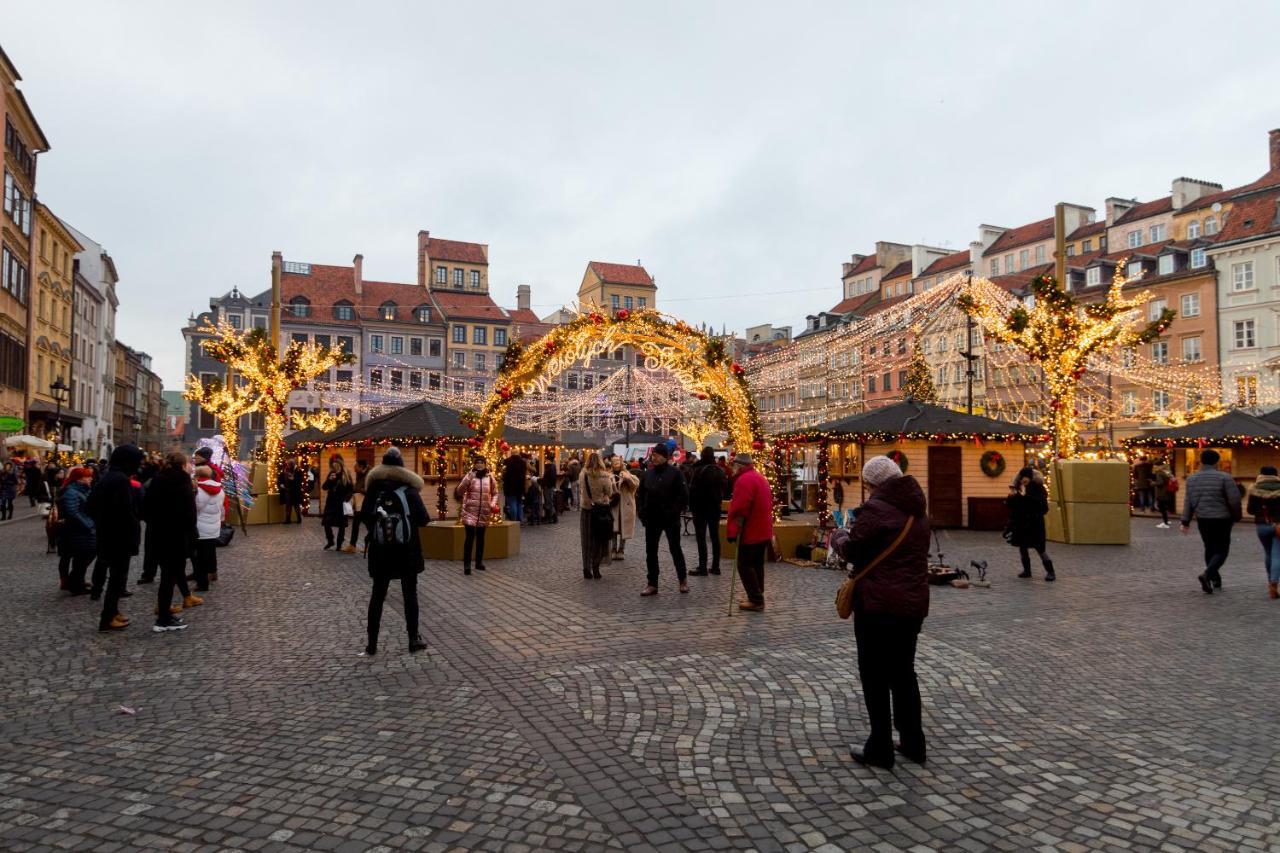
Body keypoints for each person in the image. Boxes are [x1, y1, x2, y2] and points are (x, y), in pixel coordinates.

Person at [838, 455, 931, 770]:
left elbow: (853, 549)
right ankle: (913, 742)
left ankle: (880, 747)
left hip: (878, 606)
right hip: (912, 604)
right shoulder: (918, 511)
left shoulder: (876, 510)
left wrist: (838, 538)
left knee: (875, 675)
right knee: (904, 674)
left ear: (874, 483)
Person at [360, 447, 429, 655]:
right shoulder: (409, 490)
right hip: (407, 551)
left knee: (378, 595)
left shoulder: (373, 489)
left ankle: (372, 643)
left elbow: (364, 515)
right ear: (401, 467)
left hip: (380, 551)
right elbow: (424, 519)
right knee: (410, 595)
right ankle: (412, 639)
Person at [86, 445, 145, 632]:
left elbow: (91, 505)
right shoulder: (119, 480)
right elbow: (125, 510)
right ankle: (108, 617)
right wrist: (132, 522)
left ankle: (113, 611)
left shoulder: (110, 477)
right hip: (118, 536)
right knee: (116, 579)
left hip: (109, 534)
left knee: (116, 577)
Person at [144, 452, 200, 632]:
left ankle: (164, 612)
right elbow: (190, 514)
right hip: (176, 536)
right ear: (183, 465)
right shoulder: (183, 483)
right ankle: (164, 619)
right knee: (170, 576)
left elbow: (145, 507)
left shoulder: (157, 480)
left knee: (167, 575)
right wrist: (191, 536)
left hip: (158, 534)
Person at [1180, 449, 1242, 594]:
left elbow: (1188, 501)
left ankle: (1214, 579)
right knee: (1222, 550)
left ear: (1201, 461)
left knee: (1209, 547)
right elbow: (1234, 499)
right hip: (1222, 519)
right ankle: (1207, 574)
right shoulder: (1225, 477)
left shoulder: (1192, 479)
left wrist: (1185, 520)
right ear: (1217, 461)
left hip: (1203, 518)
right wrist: (1236, 516)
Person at [636, 443, 689, 596]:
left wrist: (675, 511)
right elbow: (640, 494)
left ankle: (682, 580)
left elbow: (683, 495)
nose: (654, 457)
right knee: (651, 551)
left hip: (670, 519)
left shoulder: (675, 473)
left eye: (657, 454)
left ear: (665, 457)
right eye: (653, 454)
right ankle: (652, 583)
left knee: (675, 549)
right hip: (652, 518)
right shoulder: (647, 474)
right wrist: (641, 512)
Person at [725, 453, 773, 611]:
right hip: (762, 530)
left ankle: (756, 599)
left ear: (739, 466)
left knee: (745, 564)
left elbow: (739, 508)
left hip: (751, 530)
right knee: (757, 563)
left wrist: (733, 531)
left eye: (733, 465)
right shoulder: (758, 477)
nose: (731, 468)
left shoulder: (744, 480)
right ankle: (758, 593)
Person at [1006, 466, 1055, 581]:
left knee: (1040, 549)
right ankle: (1027, 571)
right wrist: (1013, 498)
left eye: (1026, 477)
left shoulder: (1038, 488)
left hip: (1035, 523)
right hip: (1023, 523)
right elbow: (1016, 506)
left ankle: (1051, 572)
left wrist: (1022, 499)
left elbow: (1041, 506)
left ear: (1031, 477)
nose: (1024, 479)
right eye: (1022, 477)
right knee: (1023, 547)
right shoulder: (1022, 488)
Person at [688, 447, 728, 576]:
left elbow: (692, 489)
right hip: (715, 507)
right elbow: (725, 488)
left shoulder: (697, 469)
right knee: (715, 537)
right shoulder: (719, 470)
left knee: (701, 537)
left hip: (700, 508)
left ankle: (703, 566)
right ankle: (716, 566)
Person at [55, 467, 96, 594]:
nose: (91, 478)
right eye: (88, 476)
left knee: (82, 557)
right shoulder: (71, 491)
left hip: (81, 530)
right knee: (82, 557)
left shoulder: (83, 489)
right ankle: (74, 584)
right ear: (79, 479)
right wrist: (88, 524)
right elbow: (72, 511)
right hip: (77, 530)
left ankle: (76, 582)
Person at [455, 455, 497, 576]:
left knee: (480, 538)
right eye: (477, 463)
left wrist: (492, 504)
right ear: (474, 464)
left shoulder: (489, 477)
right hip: (470, 512)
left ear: (485, 464)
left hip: (484, 512)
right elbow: (459, 491)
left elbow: (495, 493)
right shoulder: (470, 475)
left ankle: (479, 562)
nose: (479, 465)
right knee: (469, 538)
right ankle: (467, 565)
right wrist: (468, 478)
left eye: (481, 463)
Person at [578, 452, 617, 580]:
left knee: (586, 540)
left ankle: (586, 568)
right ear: (600, 461)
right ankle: (596, 567)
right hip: (601, 512)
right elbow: (610, 492)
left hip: (586, 511)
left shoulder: (583, 475)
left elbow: (582, 490)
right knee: (600, 540)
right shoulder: (605, 476)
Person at [1246, 465, 1280, 600]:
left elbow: (1250, 510)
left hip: (1261, 526)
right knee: (1277, 555)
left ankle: (1269, 580)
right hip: (1278, 526)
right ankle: (1274, 583)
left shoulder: (1254, 489)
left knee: (1268, 553)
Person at [193, 465, 224, 592]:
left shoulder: (199, 489)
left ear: (198, 476)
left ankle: (202, 583)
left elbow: (196, 507)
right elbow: (221, 508)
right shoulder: (220, 489)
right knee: (210, 552)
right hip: (213, 526)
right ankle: (212, 573)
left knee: (199, 557)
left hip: (200, 526)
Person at [321, 455, 355, 551]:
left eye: (336, 467)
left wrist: (346, 499)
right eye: (333, 467)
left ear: (340, 466)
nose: (334, 469)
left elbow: (351, 489)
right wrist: (329, 480)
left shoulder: (346, 475)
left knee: (341, 525)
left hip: (341, 503)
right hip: (331, 502)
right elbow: (324, 487)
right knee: (327, 522)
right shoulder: (331, 474)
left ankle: (339, 544)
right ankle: (330, 540)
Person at [610, 457, 639, 560]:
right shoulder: (609, 475)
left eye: (618, 462)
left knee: (624, 528)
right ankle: (613, 549)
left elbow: (634, 486)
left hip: (626, 505)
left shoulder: (628, 474)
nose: (616, 464)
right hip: (614, 505)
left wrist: (628, 478)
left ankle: (621, 549)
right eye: (614, 462)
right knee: (613, 528)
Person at [348, 458, 370, 551]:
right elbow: (357, 485)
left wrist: (359, 490)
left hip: (366, 503)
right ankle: (352, 545)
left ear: (361, 467)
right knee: (356, 524)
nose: (354, 469)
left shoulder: (370, 474)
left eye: (355, 467)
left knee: (369, 525)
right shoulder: (360, 474)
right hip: (359, 504)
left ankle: (370, 545)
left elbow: (370, 490)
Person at [501, 449, 527, 523]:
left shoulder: (507, 461)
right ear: (518, 453)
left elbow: (504, 474)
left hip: (510, 486)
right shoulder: (523, 462)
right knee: (519, 503)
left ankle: (514, 520)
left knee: (512, 503)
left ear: (511, 453)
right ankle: (520, 519)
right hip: (520, 486)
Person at [1152, 463, 1177, 528]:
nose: (1154, 467)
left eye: (1155, 465)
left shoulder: (1159, 473)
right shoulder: (1167, 472)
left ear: (1158, 466)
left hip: (1162, 493)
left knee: (1161, 507)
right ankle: (1166, 521)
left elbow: (1160, 483)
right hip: (1168, 492)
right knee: (1164, 507)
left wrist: (1153, 483)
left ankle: (1165, 523)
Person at [540, 457, 559, 524]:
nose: (545, 461)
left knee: (549, 502)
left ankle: (550, 517)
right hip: (549, 486)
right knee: (549, 502)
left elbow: (550, 478)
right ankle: (552, 517)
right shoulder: (551, 467)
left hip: (548, 487)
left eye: (546, 460)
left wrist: (544, 483)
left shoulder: (550, 467)